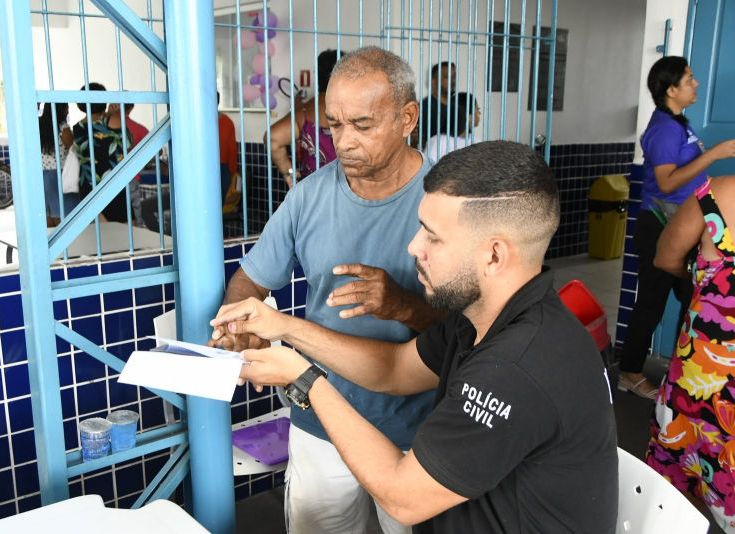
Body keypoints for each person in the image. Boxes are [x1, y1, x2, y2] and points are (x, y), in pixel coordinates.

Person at [212, 141, 619, 533]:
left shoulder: (518, 366)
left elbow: (401, 496)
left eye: (432, 236)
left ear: (494, 255)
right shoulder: (481, 317)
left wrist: (302, 378)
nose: (413, 247)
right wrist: (283, 326)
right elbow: (393, 368)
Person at [210, 46, 443, 534]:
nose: (343, 142)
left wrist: (402, 305)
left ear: (407, 117)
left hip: (418, 429)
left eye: (362, 124)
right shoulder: (308, 196)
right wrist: (238, 322)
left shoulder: (445, 201)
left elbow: (470, 331)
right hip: (320, 417)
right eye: (334, 124)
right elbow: (252, 278)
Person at [618, 56, 735, 399]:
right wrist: (713, 154)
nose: (695, 83)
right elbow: (666, 183)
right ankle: (630, 371)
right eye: (689, 79)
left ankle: (684, 371)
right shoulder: (663, 129)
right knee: (651, 303)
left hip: (682, 226)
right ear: (671, 89)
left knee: (692, 300)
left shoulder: (679, 123)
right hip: (659, 226)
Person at [649, 175, 735, 531]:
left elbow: (666, 257)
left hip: (695, 384)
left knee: (667, 508)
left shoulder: (719, 194)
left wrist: (709, 281)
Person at [141, 92, 239, 233]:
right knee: (212, 216)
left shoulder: (194, 121)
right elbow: (232, 153)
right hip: (220, 173)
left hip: (198, 173)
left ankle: (167, 240)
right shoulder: (226, 121)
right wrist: (229, 176)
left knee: (189, 214)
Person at [265, 49, 340, 188]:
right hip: (350, 191)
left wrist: (289, 174)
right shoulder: (356, 106)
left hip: (312, 191)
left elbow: (272, 138)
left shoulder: (304, 111)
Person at [72, 82, 133, 223]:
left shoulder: (77, 128)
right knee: (121, 235)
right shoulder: (113, 120)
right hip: (112, 183)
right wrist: (114, 113)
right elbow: (128, 143)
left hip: (87, 186)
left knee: (97, 236)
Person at [38, 102, 78, 226]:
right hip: (60, 174)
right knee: (64, 215)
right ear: (61, 109)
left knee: (48, 214)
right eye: (66, 107)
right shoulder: (62, 126)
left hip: (42, 174)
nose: (68, 110)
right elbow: (72, 146)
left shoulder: (38, 125)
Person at [425, 92, 480, 163]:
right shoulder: (439, 142)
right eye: (477, 110)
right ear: (468, 115)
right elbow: (428, 169)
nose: (479, 114)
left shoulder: (476, 141)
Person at [414, 62, 455, 151]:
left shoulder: (460, 105)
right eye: (447, 77)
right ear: (434, 82)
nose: (452, 81)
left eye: (454, 77)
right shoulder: (423, 108)